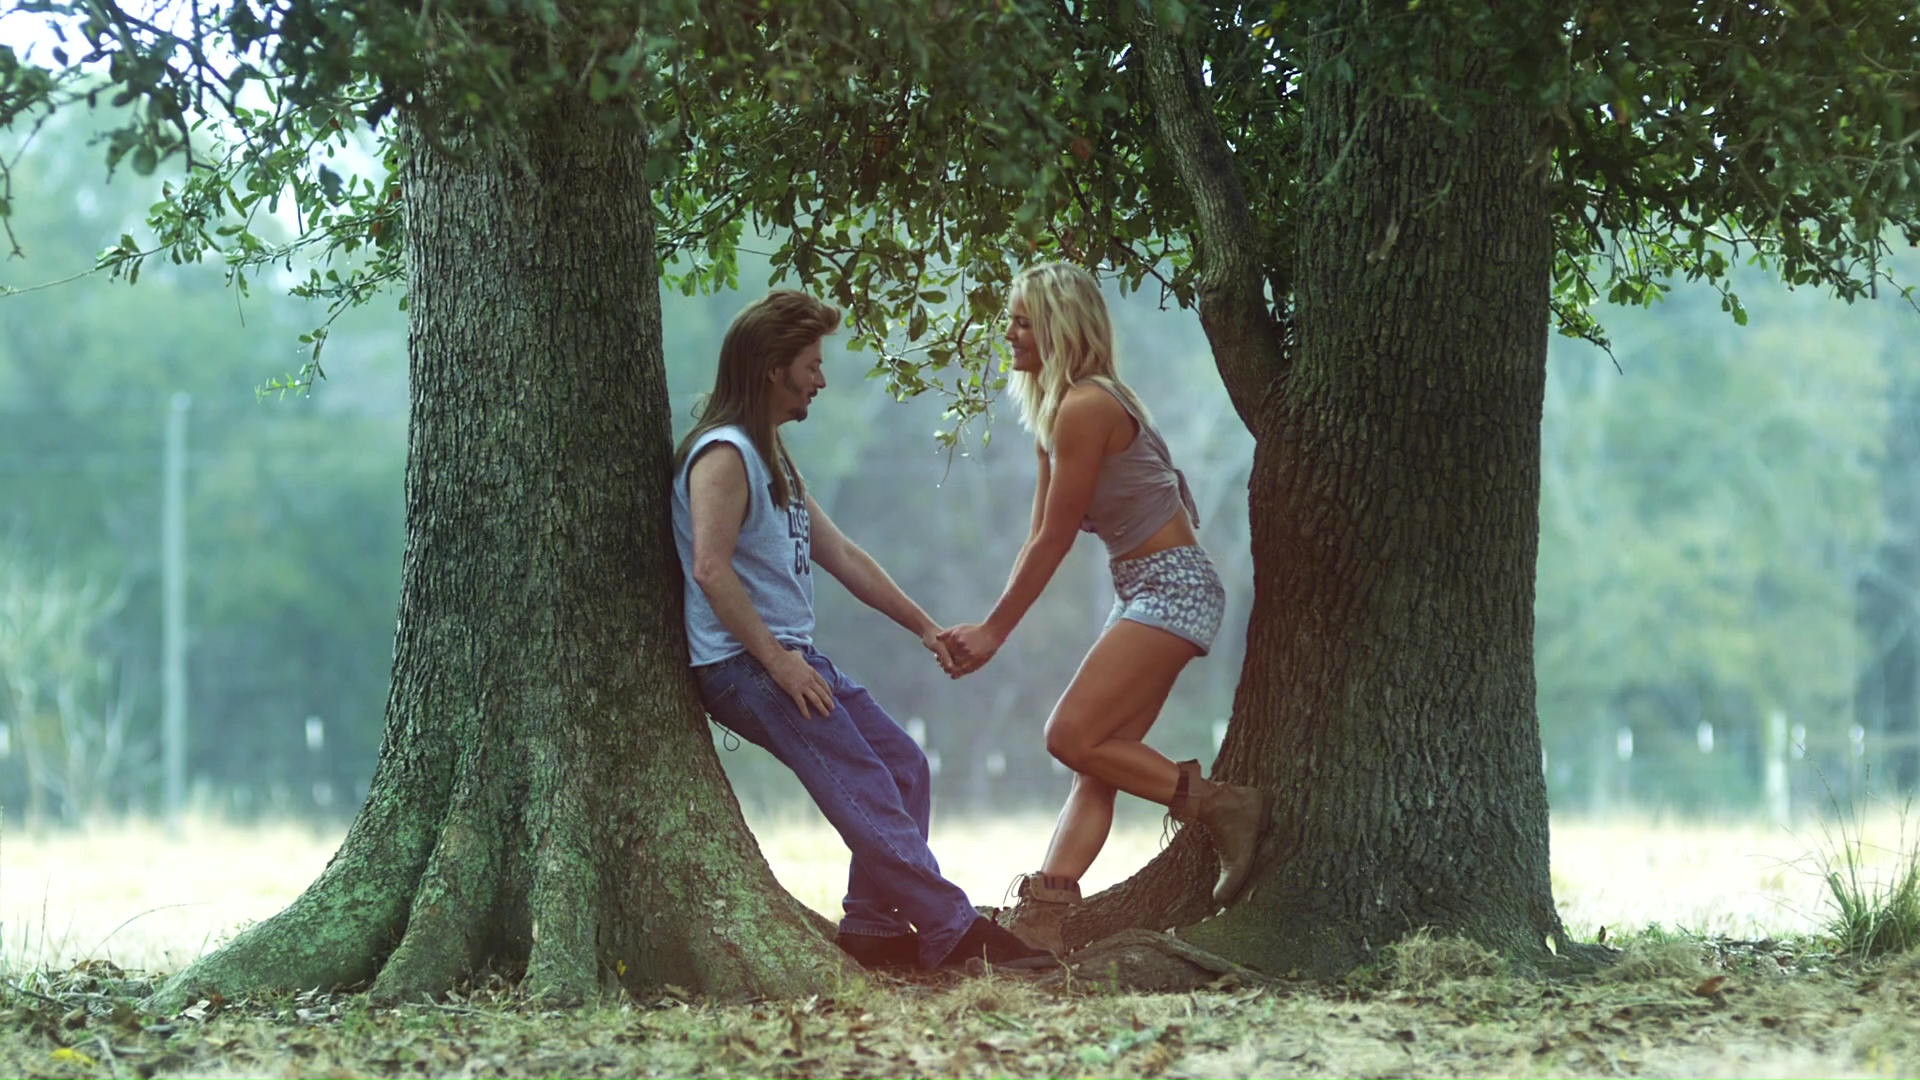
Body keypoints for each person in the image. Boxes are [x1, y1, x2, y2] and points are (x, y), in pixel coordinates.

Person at [671, 289, 1053, 972]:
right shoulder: (722, 456)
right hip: (744, 665)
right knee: (865, 783)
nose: (821, 379)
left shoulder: (771, 457)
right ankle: (954, 931)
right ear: (772, 368)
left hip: (792, 658)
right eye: (811, 364)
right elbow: (710, 569)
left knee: (903, 766)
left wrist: (925, 628)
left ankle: (874, 927)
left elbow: (843, 555)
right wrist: (779, 664)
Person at [941, 262, 1270, 954]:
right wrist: (994, 625)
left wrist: (994, 632)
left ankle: (1224, 807)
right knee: (1098, 761)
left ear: (1059, 327)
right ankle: (1043, 921)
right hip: (1144, 588)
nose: (1010, 334)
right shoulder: (1056, 415)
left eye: (1023, 322)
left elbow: (1057, 540)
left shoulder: (1088, 406)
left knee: (1069, 735)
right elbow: (1038, 535)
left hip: (1174, 587)